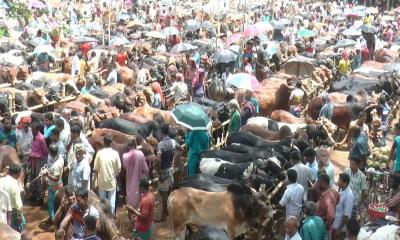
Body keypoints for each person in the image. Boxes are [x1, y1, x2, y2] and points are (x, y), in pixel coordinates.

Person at [156, 124, 180, 221]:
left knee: (163, 195)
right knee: (169, 193)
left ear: (161, 132)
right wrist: (174, 157)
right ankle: (168, 213)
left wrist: (157, 168)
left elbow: (158, 159)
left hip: (163, 171)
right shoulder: (173, 142)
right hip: (171, 170)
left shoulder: (161, 144)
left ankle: (163, 216)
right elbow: (181, 149)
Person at [93, 135, 121, 215]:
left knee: (102, 202)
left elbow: (96, 169)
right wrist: (113, 174)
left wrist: (94, 182)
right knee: (111, 202)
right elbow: (118, 168)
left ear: (104, 143)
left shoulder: (99, 153)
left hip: (101, 181)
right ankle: (110, 218)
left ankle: (103, 218)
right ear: (111, 143)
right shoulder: (115, 154)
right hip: (111, 181)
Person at [122, 138, 149, 208]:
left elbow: (125, 166)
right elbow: (146, 168)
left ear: (128, 146)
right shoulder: (141, 154)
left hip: (130, 181)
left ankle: (131, 212)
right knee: (139, 199)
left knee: (130, 198)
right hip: (139, 181)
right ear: (136, 145)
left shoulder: (125, 156)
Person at [0, 164, 25, 232]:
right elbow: (19, 206)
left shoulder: (1, 180)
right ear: (17, 174)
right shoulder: (14, 184)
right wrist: (20, 218)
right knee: (16, 231)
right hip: (12, 213)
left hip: (2, 210)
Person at [43, 143, 64, 224]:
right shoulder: (60, 158)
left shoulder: (56, 165)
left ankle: (53, 222)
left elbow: (56, 178)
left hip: (55, 186)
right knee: (53, 205)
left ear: (50, 152)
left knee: (51, 206)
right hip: (55, 185)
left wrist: (47, 174)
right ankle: (52, 218)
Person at [29, 121, 49, 203]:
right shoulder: (34, 136)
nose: (32, 131)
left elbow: (45, 150)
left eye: (33, 130)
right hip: (33, 159)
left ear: (37, 129)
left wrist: (37, 156)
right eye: (32, 129)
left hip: (40, 160)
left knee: (39, 178)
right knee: (33, 176)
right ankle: (34, 194)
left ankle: (40, 197)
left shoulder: (41, 138)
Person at [333, 173, 354, 240]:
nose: (338, 182)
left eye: (340, 180)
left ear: (345, 183)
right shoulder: (342, 189)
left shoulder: (349, 195)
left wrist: (339, 229)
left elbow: (346, 216)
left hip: (339, 227)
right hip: (335, 223)